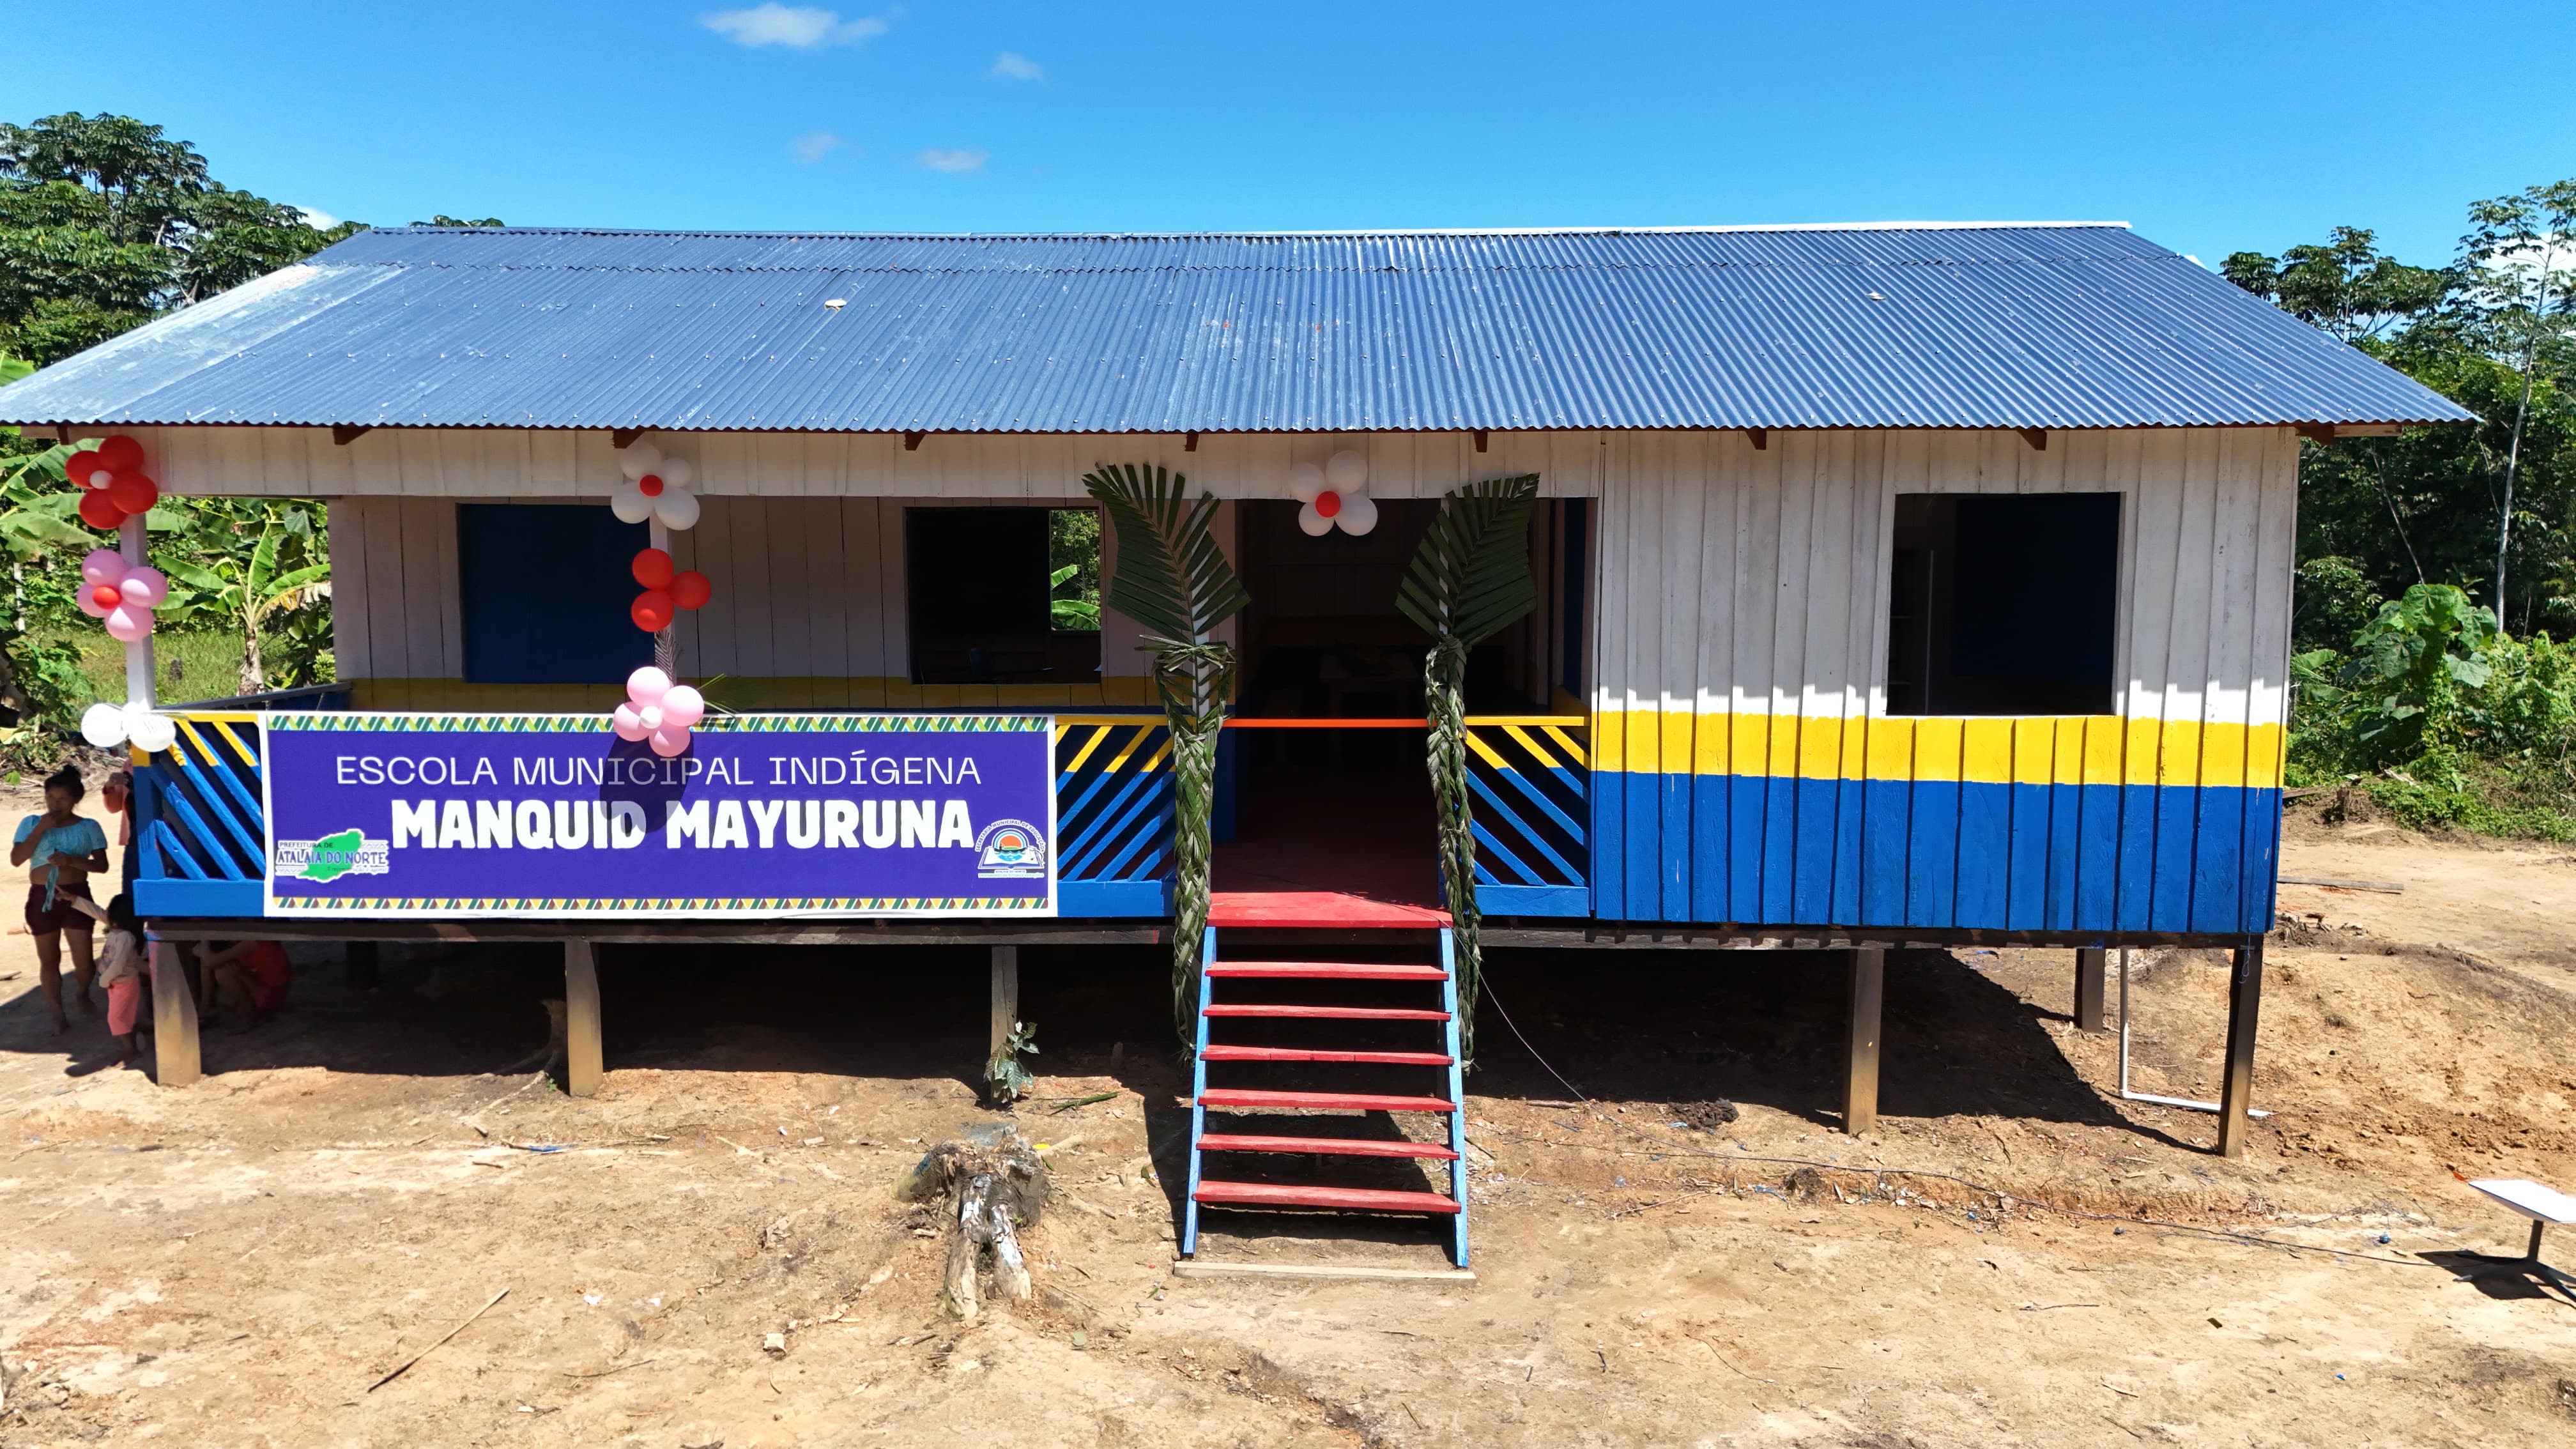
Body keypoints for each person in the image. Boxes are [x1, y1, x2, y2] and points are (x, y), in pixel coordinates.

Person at [13, 766, 111, 1035]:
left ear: (76, 799)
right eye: (50, 798)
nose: (55, 805)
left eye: (62, 799)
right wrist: (41, 829)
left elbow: (101, 866)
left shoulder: (89, 826)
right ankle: (57, 1013)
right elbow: (17, 859)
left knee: (85, 961)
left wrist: (71, 861)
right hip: (41, 896)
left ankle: (82, 992)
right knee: (49, 959)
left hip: (77, 894)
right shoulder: (31, 823)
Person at [67, 892, 147, 1067]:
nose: (106, 913)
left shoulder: (125, 937)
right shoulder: (120, 931)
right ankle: (131, 1048)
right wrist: (75, 900)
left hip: (123, 984)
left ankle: (131, 1051)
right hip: (116, 984)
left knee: (116, 1019)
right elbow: (96, 911)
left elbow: (119, 963)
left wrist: (104, 980)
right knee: (124, 1018)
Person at [196, 939, 291, 1030]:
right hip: (260, 986)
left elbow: (210, 961)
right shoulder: (238, 942)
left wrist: (204, 943)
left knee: (223, 972)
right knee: (216, 963)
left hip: (272, 995)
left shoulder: (251, 942)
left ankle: (249, 1016)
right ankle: (206, 1008)